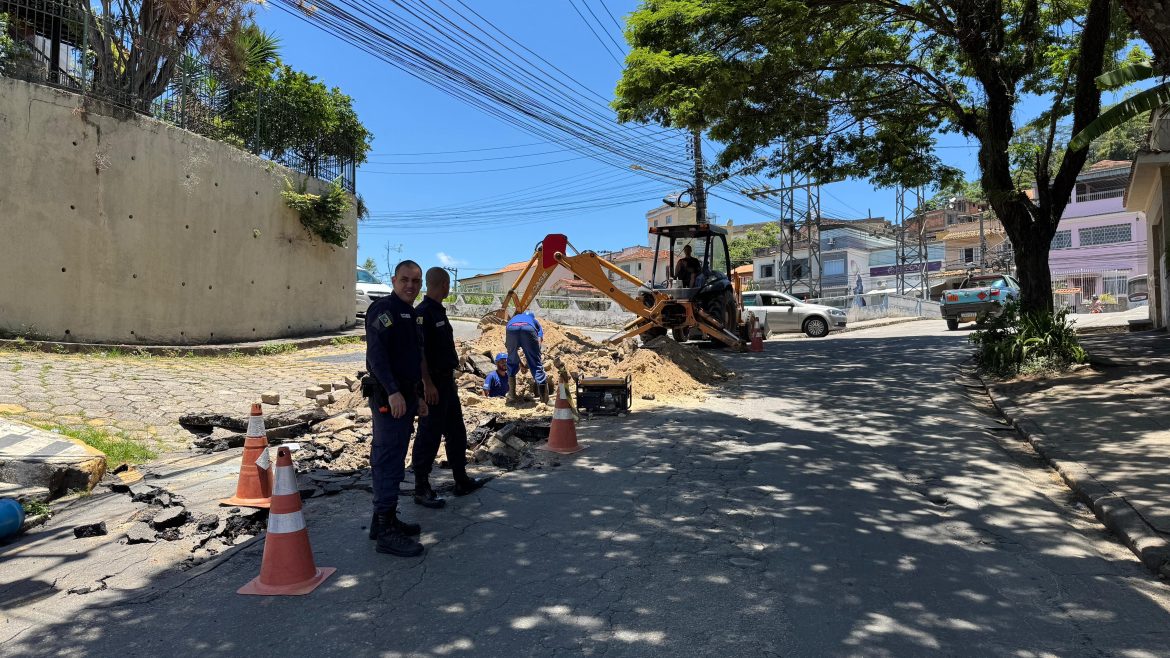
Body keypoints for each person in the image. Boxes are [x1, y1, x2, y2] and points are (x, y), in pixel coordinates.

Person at [364, 260, 428, 558]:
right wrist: (393, 392)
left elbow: (411, 360)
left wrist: (418, 397)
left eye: (416, 281)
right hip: (389, 398)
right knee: (388, 458)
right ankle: (386, 532)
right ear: (394, 279)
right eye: (405, 279)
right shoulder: (384, 310)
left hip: (405, 397)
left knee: (395, 454)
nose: (410, 286)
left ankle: (383, 521)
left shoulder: (410, 314)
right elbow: (376, 357)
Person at [412, 268, 486, 509]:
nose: (449, 288)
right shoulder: (423, 313)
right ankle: (421, 487)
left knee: (456, 431)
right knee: (429, 435)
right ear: (444, 284)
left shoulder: (437, 311)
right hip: (433, 384)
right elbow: (419, 352)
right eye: (448, 284)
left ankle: (460, 480)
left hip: (446, 383)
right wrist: (427, 384)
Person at [505, 310, 549, 404]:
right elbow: (538, 343)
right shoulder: (534, 321)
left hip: (511, 328)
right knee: (536, 363)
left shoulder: (514, 318)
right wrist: (532, 360)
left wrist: (521, 364)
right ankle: (544, 400)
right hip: (528, 329)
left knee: (511, 358)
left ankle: (512, 395)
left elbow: (511, 350)